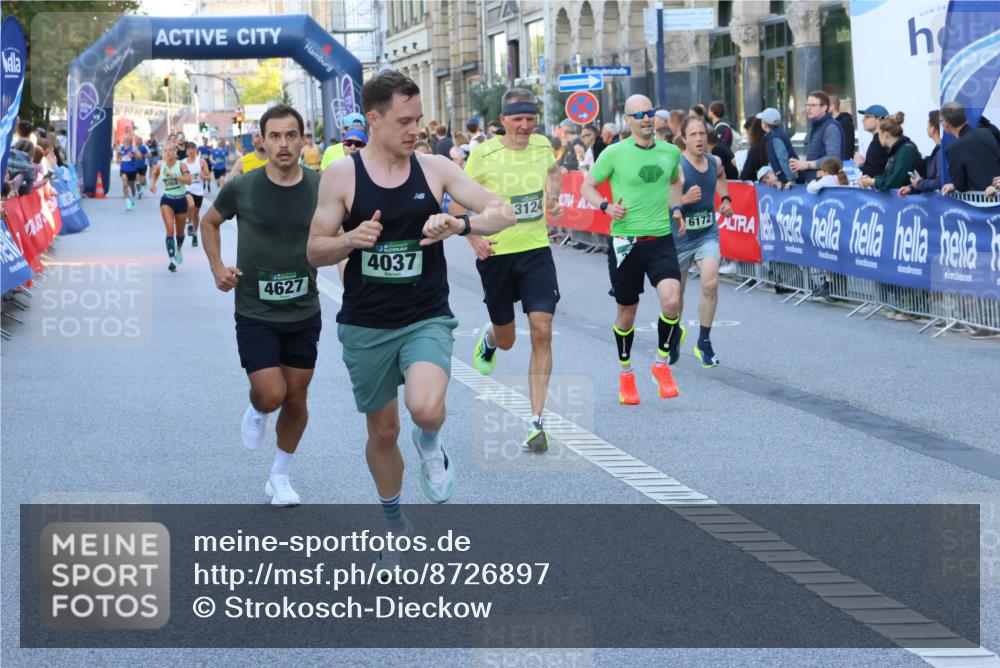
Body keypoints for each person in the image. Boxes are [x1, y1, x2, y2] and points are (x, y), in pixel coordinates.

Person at [305, 71, 516, 543]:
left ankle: (431, 442)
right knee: (382, 433)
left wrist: (460, 225)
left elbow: (504, 211)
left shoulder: (433, 168)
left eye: (418, 119)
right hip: (366, 323)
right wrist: (349, 241)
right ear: (374, 120)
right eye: (404, 121)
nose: (415, 129)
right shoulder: (341, 174)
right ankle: (394, 523)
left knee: (424, 409)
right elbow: (314, 252)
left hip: (425, 314)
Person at [199, 104, 322, 506]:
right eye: (275, 136)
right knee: (271, 394)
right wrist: (218, 266)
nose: (283, 144)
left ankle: (280, 476)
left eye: (291, 135)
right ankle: (256, 407)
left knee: (297, 398)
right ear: (262, 141)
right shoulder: (244, 187)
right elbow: (209, 221)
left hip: (304, 310)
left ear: (304, 139)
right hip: (255, 309)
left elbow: (346, 231)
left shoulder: (321, 187)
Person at [462, 88, 563, 451]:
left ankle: (536, 422)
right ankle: (490, 339)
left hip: (536, 249)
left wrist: (553, 196)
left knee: (542, 328)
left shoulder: (542, 146)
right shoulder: (483, 154)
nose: (524, 125)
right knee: (508, 339)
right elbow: (458, 195)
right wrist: (472, 236)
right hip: (497, 253)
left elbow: (555, 172)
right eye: (517, 119)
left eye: (530, 118)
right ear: (502, 120)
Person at [580, 95, 686, 405]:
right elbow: (588, 186)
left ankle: (661, 364)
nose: (646, 119)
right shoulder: (614, 153)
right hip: (625, 242)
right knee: (627, 312)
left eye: (650, 112)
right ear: (627, 120)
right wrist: (605, 206)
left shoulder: (669, 152)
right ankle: (626, 373)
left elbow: (675, 181)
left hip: (660, 239)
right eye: (638, 115)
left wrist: (676, 207)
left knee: (672, 300)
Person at [675, 115, 734, 367]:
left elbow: (721, 176)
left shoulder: (714, 161)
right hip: (679, 236)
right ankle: (674, 330)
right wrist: (683, 201)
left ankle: (704, 341)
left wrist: (725, 199)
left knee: (710, 283)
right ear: (684, 139)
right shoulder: (677, 166)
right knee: (675, 297)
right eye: (693, 135)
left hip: (707, 233)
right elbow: (667, 197)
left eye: (702, 134)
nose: (699, 139)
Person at [148, 141, 192, 272]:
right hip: (167, 200)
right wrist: (152, 184)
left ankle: (178, 248)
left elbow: (189, 180)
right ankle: (172, 259)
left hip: (181, 200)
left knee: (180, 233)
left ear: (175, 152)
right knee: (169, 230)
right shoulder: (161, 166)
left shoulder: (181, 165)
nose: (167, 153)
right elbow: (155, 174)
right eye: (165, 151)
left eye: (170, 150)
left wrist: (173, 175)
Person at [939, 101, 1000, 194]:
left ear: (946, 123)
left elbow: (960, 185)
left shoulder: (954, 148)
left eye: (941, 121)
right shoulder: (987, 132)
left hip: (983, 204)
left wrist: (954, 185)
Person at [791, 90, 844, 183]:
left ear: (824, 108)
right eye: (807, 105)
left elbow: (834, 159)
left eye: (813, 105)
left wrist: (807, 164)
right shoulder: (816, 125)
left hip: (826, 185)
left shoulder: (831, 127)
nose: (808, 108)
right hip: (816, 183)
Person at [859, 113, 920, 191]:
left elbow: (894, 182)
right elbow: (887, 177)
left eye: (879, 133)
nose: (878, 137)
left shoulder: (906, 151)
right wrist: (871, 179)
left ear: (886, 134)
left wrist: (872, 181)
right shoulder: (897, 150)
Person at [899, 110, 943, 197]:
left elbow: (940, 182)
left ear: (932, 128)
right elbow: (930, 181)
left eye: (928, 123)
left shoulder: (941, 152)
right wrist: (912, 187)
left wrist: (919, 183)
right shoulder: (937, 151)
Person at [758, 108, 798, 185]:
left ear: (765, 125)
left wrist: (790, 179)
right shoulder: (777, 135)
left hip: (787, 181)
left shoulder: (775, 138)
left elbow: (783, 159)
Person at [183, 142, 211, 248]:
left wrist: (203, 176)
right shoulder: (183, 163)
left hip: (198, 191)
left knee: (196, 214)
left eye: (192, 148)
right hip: (187, 189)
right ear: (186, 151)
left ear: (195, 150)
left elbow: (209, 177)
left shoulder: (202, 162)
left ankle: (194, 234)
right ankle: (189, 224)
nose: (190, 151)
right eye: (188, 149)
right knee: (190, 205)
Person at [853, 104, 890, 178]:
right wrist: (865, 163)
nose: (862, 120)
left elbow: (876, 173)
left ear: (879, 120)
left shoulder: (878, 142)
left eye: (867, 117)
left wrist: (861, 165)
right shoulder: (881, 139)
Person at [830, 95, 855, 161]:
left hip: (842, 160)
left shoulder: (845, 121)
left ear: (833, 106)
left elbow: (848, 142)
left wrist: (844, 160)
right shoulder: (828, 122)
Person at [119, 138, 139, 211]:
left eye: (127, 140)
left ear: (130, 141)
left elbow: (138, 156)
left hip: (132, 170)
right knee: (125, 184)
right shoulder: (121, 148)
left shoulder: (133, 148)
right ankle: (128, 203)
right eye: (125, 139)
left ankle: (133, 198)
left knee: (132, 186)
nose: (126, 141)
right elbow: (119, 158)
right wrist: (119, 158)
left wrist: (133, 155)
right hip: (123, 169)